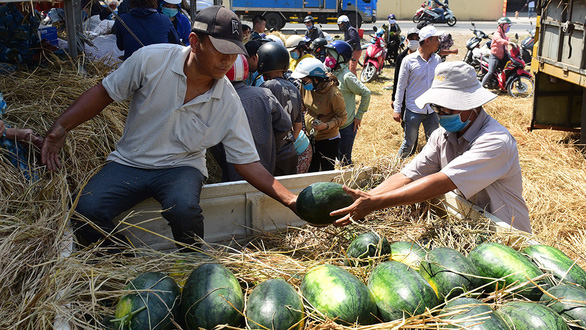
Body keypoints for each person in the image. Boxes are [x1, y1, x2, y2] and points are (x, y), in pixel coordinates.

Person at [41, 6, 297, 252]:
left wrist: (290, 200)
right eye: (221, 51)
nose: (227, 61)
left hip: (181, 168)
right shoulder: (151, 60)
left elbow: (247, 163)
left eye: (233, 53)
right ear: (195, 42)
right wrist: (61, 127)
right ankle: (124, 261)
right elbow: (104, 92)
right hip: (130, 161)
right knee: (84, 211)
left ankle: (193, 261)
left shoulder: (228, 101)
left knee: (184, 209)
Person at [331, 61, 532, 234]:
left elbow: (442, 182)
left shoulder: (496, 141)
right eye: (437, 107)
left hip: (508, 233)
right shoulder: (441, 136)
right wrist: (367, 198)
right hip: (474, 226)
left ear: (472, 105)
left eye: (447, 107)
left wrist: (377, 203)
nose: (441, 113)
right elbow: (408, 175)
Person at [211, 54, 293, 181]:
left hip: (233, 175)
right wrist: (268, 142)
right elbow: (285, 126)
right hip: (266, 175)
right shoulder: (264, 94)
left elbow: (212, 143)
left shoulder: (215, 101)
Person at [393, 25, 442, 159]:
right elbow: (400, 87)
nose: (438, 42)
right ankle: (397, 168)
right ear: (427, 41)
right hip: (413, 111)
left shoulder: (437, 60)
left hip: (431, 111)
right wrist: (397, 109)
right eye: (436, 39)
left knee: (434, 144)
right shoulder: (408, 61)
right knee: (409, 144)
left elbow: (439, 84)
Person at [292, 58, 346, 172]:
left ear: (316, 78)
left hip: (328, 139)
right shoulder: (306, 87)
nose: (303, 83)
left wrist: (326, 125)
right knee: (311, 169)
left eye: (305, 81)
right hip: (310, 136)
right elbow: (302, 105)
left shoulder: (333, 94)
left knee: (326, 170)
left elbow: (342, 117)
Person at [257, 42, 303, 175]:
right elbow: (298, 126)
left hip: (272, 155)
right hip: (289, 152)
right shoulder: (294, 88)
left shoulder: (266, 87)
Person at [325, 40, 370, 166]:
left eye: (331, 55)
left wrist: (359, 116)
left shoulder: (346, 77)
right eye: (327, 54)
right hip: (333, 125)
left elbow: (366, 93)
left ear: (341, 58)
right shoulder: (331, 73)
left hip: (346, 126)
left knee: (344, 161)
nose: (327, 58)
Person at [114, 0, 179, 59]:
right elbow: (175, 43)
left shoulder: (123, 20)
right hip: (160, 65)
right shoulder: (165, 19)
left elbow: (121, 46)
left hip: (133, 66)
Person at [481, 17, 513, 88]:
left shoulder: (504, 34)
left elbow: (504, 47)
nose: (508, 28)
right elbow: (499, 40)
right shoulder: (497, 34)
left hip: (503, 56)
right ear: (502, 25)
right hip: (495, 56)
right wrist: (508, 42)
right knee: (490, 72)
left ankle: (504, 87)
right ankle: (481, 87)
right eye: (508, 26)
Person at [385, 27, 419, 92]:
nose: (414, 41)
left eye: (416, 39)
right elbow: (397, 78)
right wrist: (394, 97)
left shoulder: (424, 57)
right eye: (411, 39)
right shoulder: (401, 57)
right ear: (406, 41)